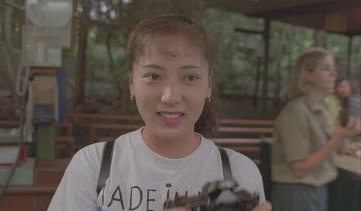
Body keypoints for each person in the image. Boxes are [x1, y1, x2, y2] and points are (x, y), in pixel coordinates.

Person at [48, 14, 271, 211]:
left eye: (190, 78)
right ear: (132, 84)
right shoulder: (93, 165)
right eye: (154, 76)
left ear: (209, 86)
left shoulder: (239, 173)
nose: (170, 97)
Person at [270, 47, 361, 211]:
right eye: (326, 68)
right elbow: (299, 169)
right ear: (308, 75)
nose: (334, 74)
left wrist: (346, 134)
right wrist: (335, 138)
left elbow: (337, 150)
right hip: (296, 193)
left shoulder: (323, 108)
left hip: (318, 190)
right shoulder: (295, 111)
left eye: (333, 69)